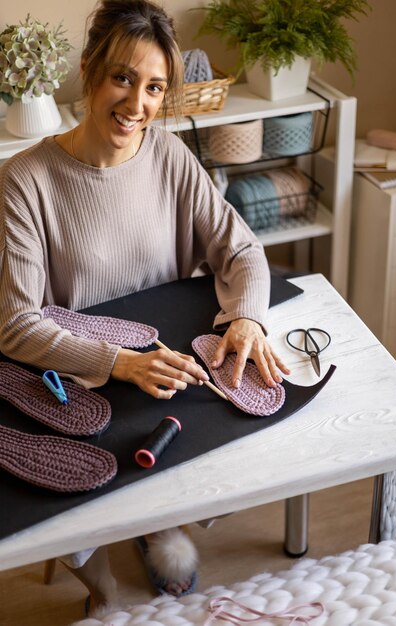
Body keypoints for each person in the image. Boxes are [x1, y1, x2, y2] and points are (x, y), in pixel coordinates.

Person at [0, 0, 290, 614]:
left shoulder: (169, 158)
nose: (137, 105)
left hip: (162, 366)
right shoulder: (24, 181)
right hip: (76, 377)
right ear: (89, 71)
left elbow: (241, 250)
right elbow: (16, 324)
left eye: (155, 86)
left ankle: (158, 523)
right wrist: (120, 363)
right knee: (61, 473)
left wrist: (247, 317)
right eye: (123, 78)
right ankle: (101, 586)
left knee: (249, 445)